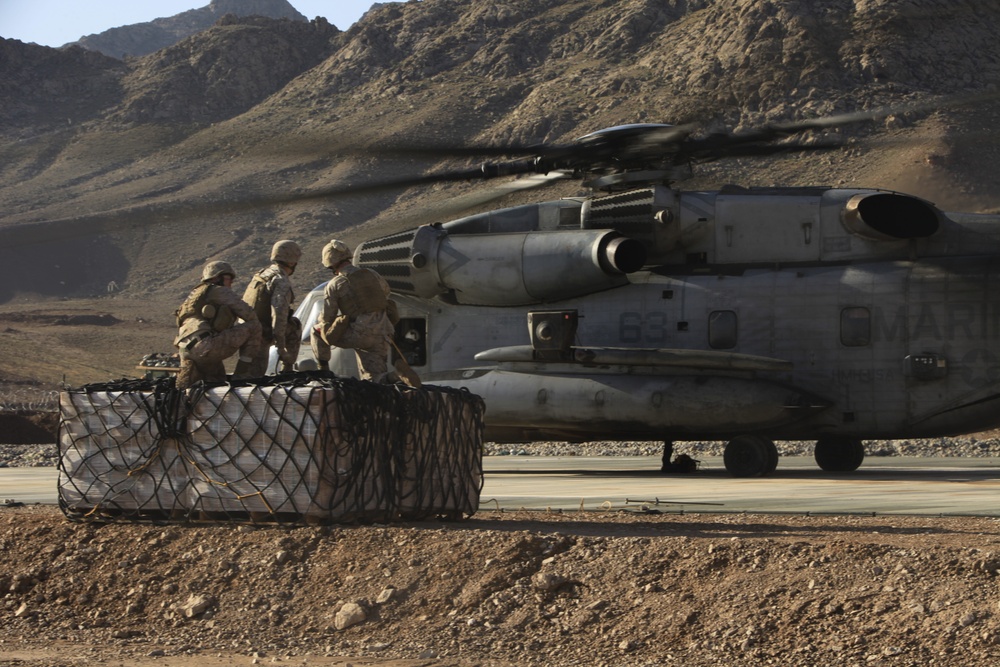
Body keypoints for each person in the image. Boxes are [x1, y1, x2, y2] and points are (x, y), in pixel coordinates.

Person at [310, 239, 398, 383]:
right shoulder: (372, 274)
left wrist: (340, 323)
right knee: (373, 378)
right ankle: (394, 377)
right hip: (383, 333)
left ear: (331, 264)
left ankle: (323, 372)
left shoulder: (335, 284)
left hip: (359, 335)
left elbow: (327, 317)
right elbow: (386, 293)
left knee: (316, 331)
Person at [173, 260, 261, 389]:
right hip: (207, 347)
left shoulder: (194, 297)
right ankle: (242, 375)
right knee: (255, 326)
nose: (231, 282)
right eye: (228, 278)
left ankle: (192, 377)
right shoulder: (219, 290)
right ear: (216, 278)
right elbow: (250, 315)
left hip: (185, 351)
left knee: (216, 381)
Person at [238, 239, 302, 377]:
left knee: (245, 375)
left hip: (244, 330)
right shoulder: (280, 280)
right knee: (295, 325)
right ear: (292, 262)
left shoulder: (261, 275)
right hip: (260, 334)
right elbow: (279, 315)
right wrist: (281, 348)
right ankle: (287, 369)